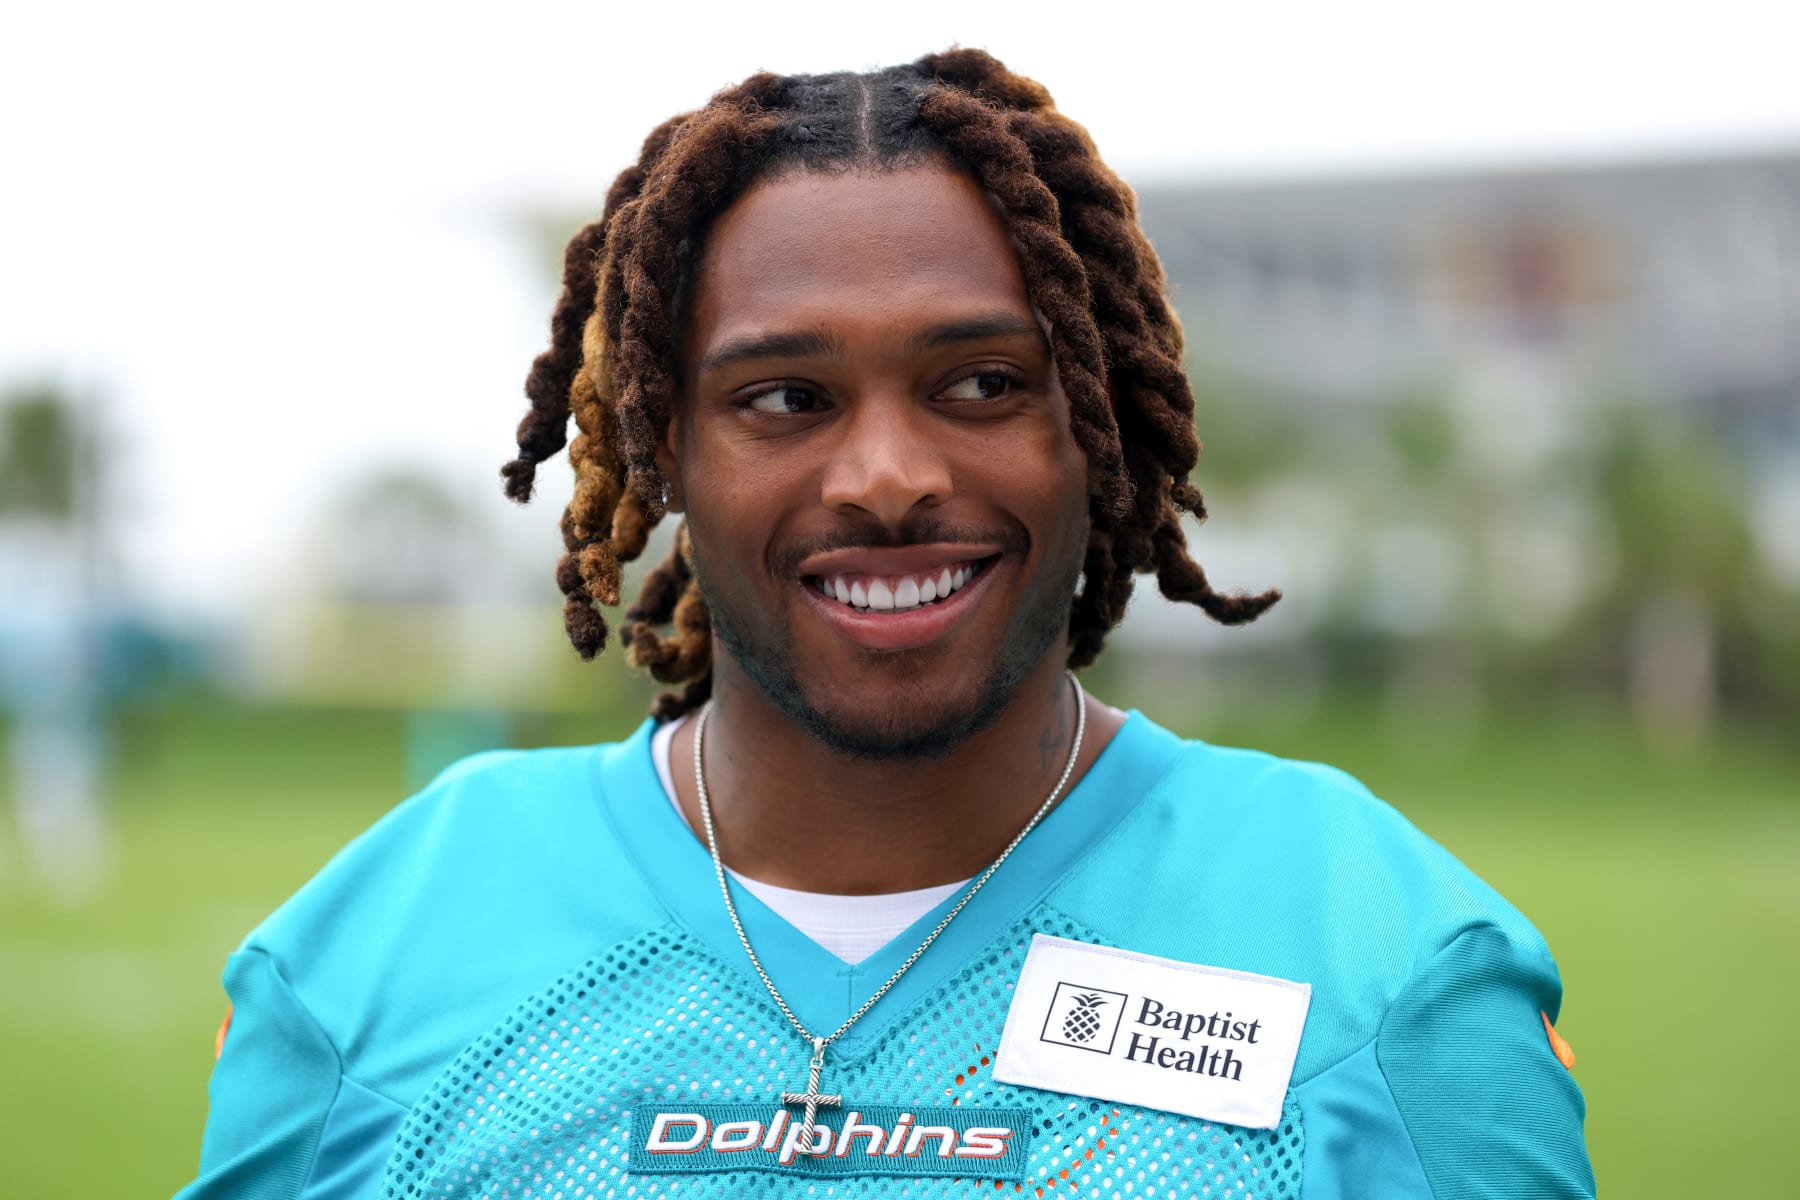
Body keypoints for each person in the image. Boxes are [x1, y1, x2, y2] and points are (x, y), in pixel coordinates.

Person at [178, 50, 1594, 1199]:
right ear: (665, 446)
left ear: (1090, 427)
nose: (891, 478)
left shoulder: (1385, 964)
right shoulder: (371, 963)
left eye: (980, 383)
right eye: (786, 398)